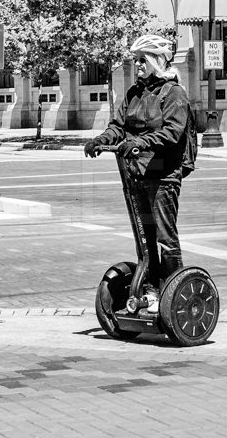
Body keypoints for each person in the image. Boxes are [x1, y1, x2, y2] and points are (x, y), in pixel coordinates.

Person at [84, 34, 197, 314]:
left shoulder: (174, 93)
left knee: (164, 238)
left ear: (156, 61)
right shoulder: (135, 93)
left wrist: (139, 143)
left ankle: (173, 292)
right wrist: (101, 140)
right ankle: (150, 290)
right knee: (144, 237)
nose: (137, 65)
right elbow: (118, 126)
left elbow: (172, 133)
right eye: (135, 60)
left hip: (163, 177)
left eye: (142, 60)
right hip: (136, 175)